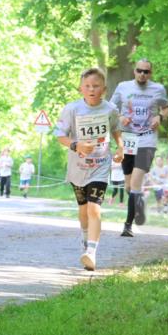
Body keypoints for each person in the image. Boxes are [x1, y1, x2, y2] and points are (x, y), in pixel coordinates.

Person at [53, 67, 122, 271]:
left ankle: (91, 252)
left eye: (96, 86)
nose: (92, 89)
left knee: (94, 208)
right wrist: (77, 145)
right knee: (83, 209)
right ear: (81, 89)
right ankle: (85, 239)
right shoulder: (72, 109)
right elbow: (60, 136)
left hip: (100, 165)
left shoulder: (110, 109)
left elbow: (116, 129)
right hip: (78, 167)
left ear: (104, 89)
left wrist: (121, 147)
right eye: (87, 86)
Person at [110, 59, 168, 236]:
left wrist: (160, 116)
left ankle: (128, 226)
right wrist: (120, 117)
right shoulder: (123, 87)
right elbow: (111, 107)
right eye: (139, 71)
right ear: (134, 71)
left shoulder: (158, 89)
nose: (142, 74)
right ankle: (139, 203)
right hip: (128, 139)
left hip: (147, 140)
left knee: (136, 182)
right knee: (128, 186)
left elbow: (166, 108)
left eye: (146, 71)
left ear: (150, 73)